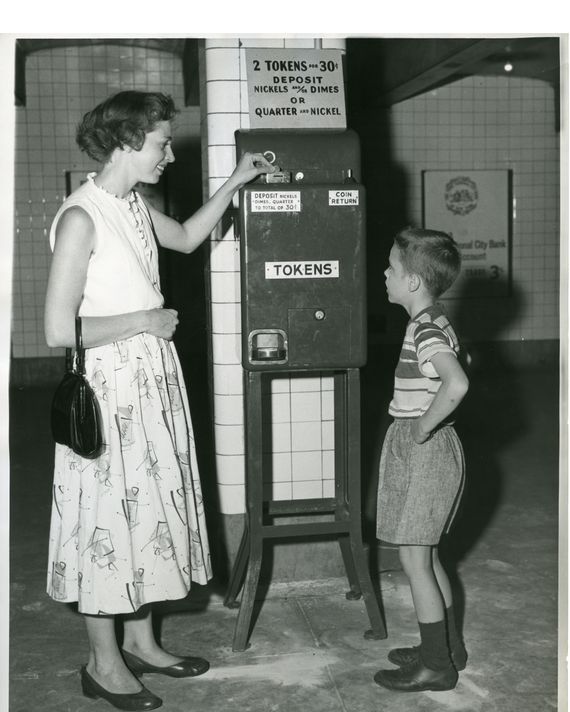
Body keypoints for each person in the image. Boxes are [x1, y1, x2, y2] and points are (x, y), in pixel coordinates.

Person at [44, 90, 276, 711]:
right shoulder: (81, 217)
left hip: (149, 382)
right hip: (106, 390)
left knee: (146, 514)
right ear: (125, 143)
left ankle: (144, 643)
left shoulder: (134, 208)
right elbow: (58, 330)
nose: (170, 153)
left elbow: (190, 238)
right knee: (104, 522)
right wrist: (144, 318)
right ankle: (102, 662)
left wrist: (236, 179)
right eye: (161, 143)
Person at [373, 227, 469, 693]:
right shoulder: (433, 318)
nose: (385, 274)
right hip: (431, 451)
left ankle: (437, 666)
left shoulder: (426, 329)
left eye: (391, 267)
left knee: (414, 561)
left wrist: (422, 427)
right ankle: (448, 646)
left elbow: (456, 384)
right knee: (427, 558)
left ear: (412, 281)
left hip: (426, 451)